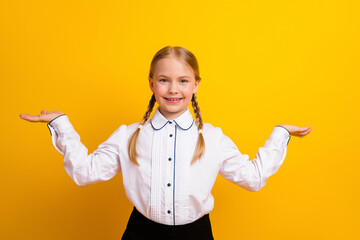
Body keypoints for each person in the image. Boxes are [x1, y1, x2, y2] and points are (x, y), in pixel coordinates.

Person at [19, 45, 311, 240]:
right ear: (151, 83)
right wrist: (61, 124)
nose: (173, 89)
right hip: (140, 233)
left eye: (183, 81)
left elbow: (254, 178)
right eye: (164, 80)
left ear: (196, 84)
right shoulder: (128, 135)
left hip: (196, 234)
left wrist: (280, 134)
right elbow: (85, 173)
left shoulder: (212, 137)